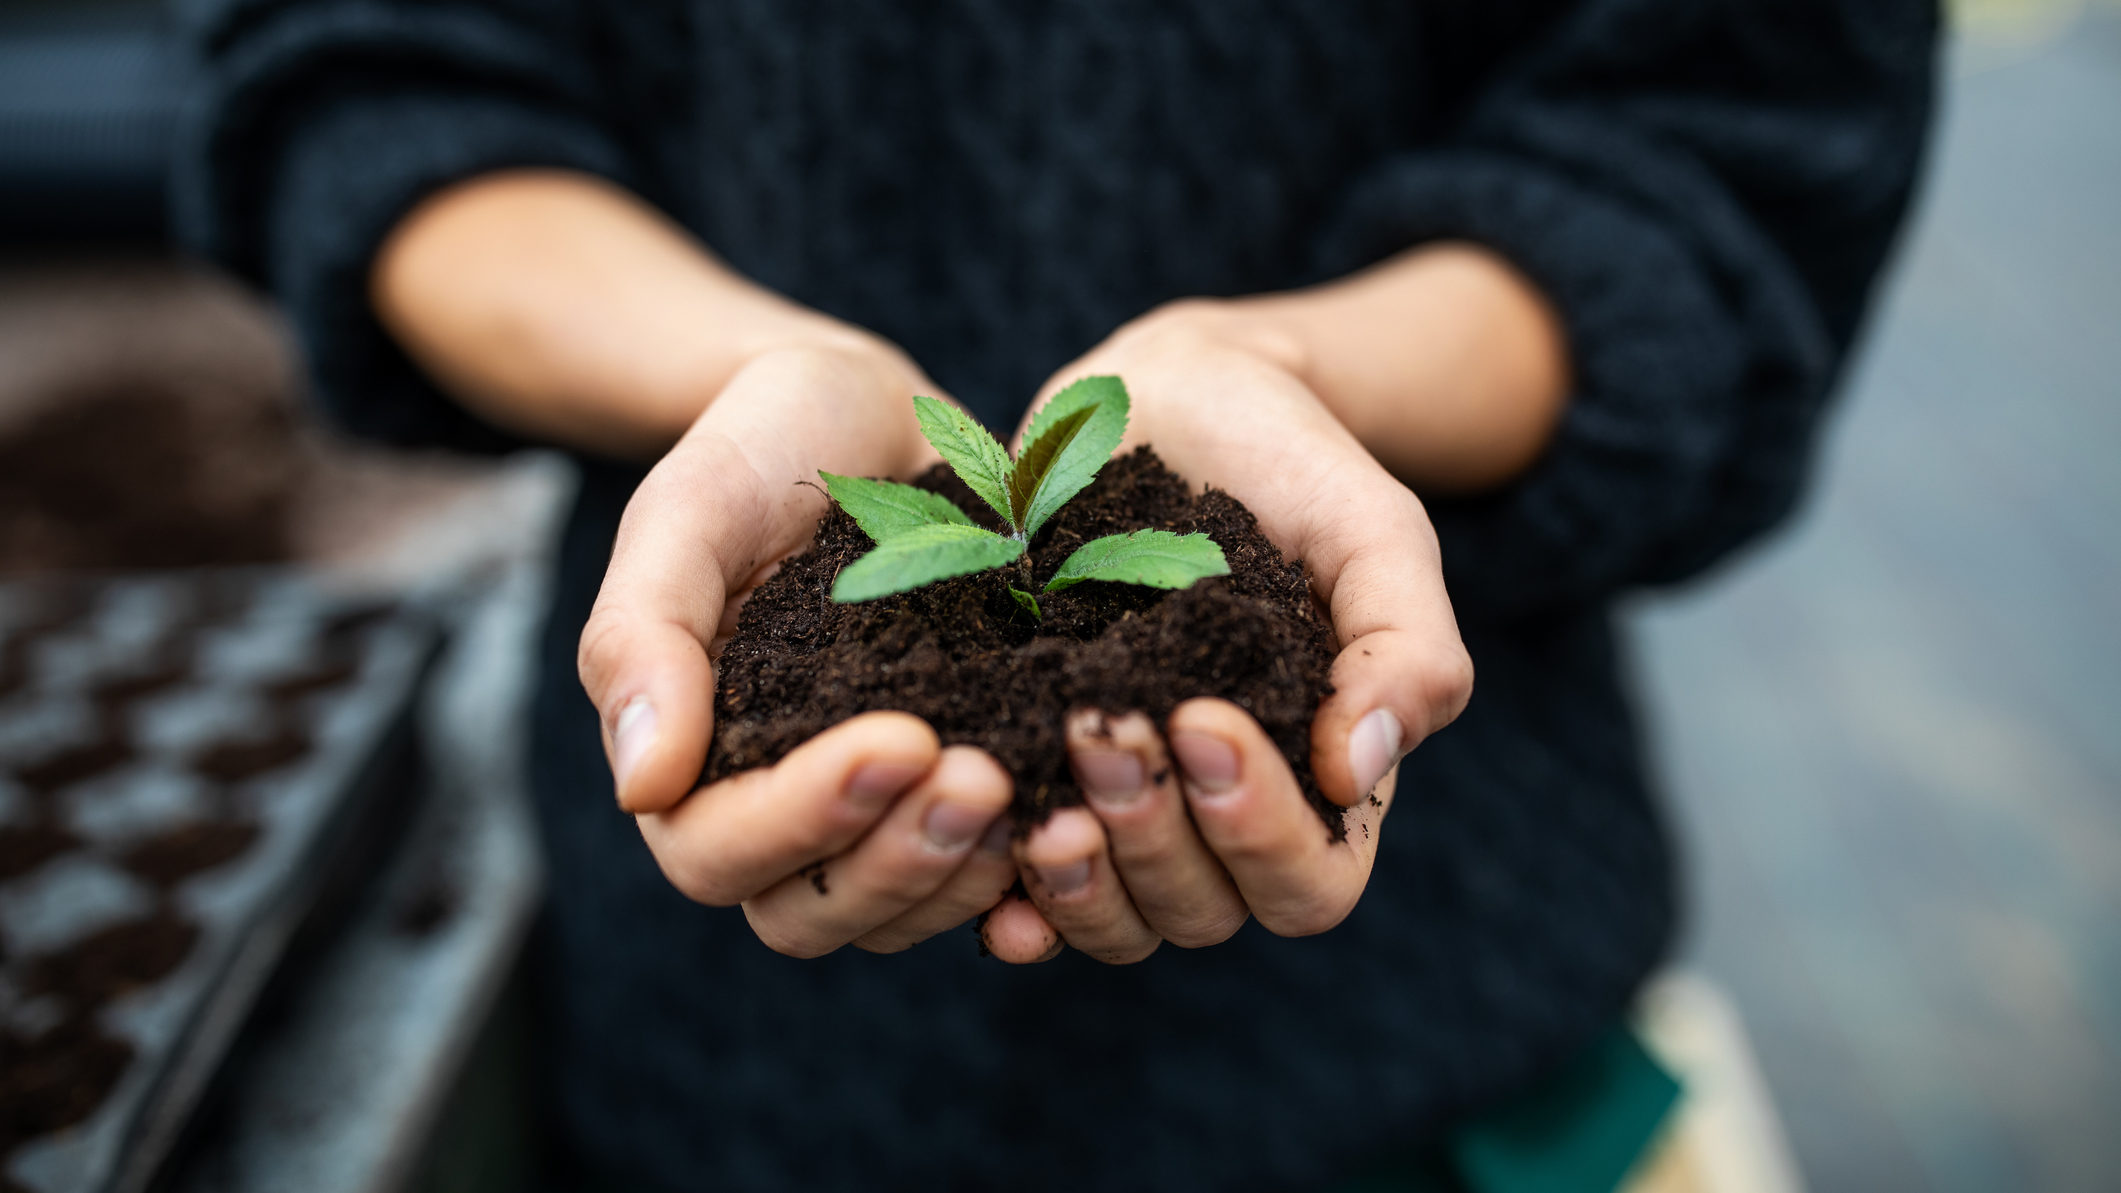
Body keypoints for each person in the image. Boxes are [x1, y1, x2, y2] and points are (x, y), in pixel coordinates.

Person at [180, 2, 1935, 1189]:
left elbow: (1722, 128)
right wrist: (743, 369)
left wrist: (1291, 361)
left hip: (1436, 1047)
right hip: (702, 1071)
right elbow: (370, 73)